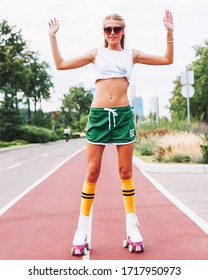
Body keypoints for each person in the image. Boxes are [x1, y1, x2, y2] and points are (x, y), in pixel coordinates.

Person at [48, 10, 174, 252]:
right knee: (92, 172)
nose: (113, 33)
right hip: (98, 117)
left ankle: (132, 225)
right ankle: (81, 228)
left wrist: (169, 32)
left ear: (123, 31)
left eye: (117, 29)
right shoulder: (96, 54)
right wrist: (53, 37)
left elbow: (167, 59)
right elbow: (61, 64)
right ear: (103, 32)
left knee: (125, 171)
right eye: (108, 29)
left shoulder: (131, 54)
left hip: (123, 117)